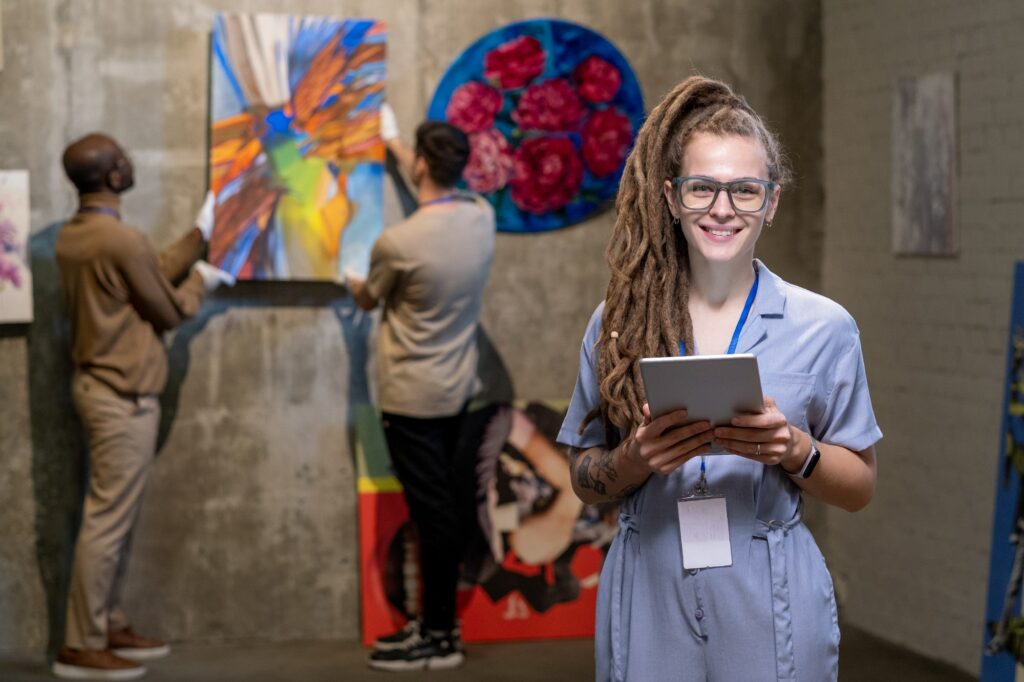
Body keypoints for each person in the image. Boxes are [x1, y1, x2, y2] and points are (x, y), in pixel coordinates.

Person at [556, 76, 883, 681]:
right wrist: (632, 459)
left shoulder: (824, 326)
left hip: (770, 588)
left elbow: (859, 487)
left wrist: (794, 448)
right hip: (648, 579)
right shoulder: (618, 323)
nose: (723, 209)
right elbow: (583, 474)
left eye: (745, 190)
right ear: (672, 197)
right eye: (702, 187)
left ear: (772, 201)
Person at [53, 133, 235, 680]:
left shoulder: (78, 235)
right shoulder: (120, 241)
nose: (130, 161)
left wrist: (199, 235)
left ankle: (106, 622)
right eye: (122, 158)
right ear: (112, 176)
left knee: (110, 518)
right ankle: (82, 645)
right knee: (107, 523)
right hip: (120, 399)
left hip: (100, 389)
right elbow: (168, 310)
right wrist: (201, 283)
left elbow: (148, 267)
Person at [347, 106, 496, 672]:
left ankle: (437, 635)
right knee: (446, 510)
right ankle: (437, 626)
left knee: (431, 515)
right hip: (457, 390)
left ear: (422, 166)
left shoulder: (397, 243)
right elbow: (435, 181)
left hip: (410, 396)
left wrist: (353, 284)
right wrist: (390, 139)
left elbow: (369, 300)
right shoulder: (480, 216)